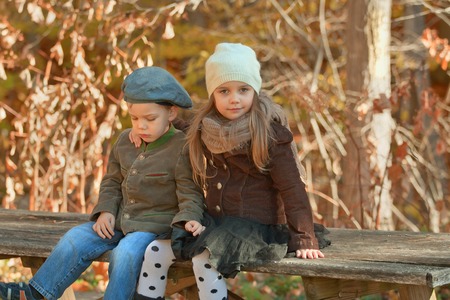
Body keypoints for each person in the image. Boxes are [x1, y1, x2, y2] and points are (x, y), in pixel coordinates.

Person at [136, 43, 330, 300]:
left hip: (257, 228)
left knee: (206, 258)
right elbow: (182, 126)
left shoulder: (269, 133)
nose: (234, 98)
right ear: (213, 95)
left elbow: (292, 188)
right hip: (218, 223)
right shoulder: (208, 126)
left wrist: (305, 238)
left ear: (255, 91)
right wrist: (148, 128)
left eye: (243, 90)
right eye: (224, 91)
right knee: (155, 251)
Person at [0, 66, 205, 300]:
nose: (141, 126)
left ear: (171, 114)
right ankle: (37, 293)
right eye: (135, 118)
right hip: (118, 221)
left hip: (153, 226)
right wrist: (105, 211)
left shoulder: (181, 147)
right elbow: (111, 182)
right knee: (76, 237)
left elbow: (191, 192)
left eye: (150, 119)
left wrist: (190, 218)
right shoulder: (125, 141)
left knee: (125, 253)